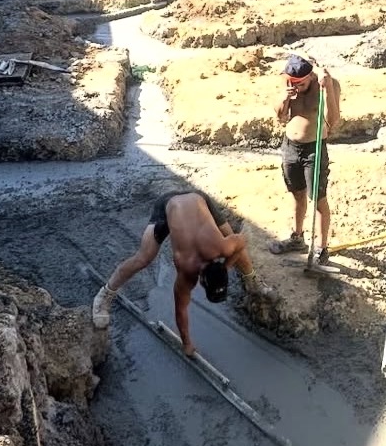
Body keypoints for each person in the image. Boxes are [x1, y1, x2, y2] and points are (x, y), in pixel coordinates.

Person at [91, 190, 256, 358]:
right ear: (201, 280)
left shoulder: (224, 246)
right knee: (143, 258)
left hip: (198, 198)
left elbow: (242, 241)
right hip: (169, 204)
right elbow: (180, 309)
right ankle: (105, 294)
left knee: (231, 236)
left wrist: (226, 267)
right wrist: (187, 344)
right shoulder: (187, 270)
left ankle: (252, 280)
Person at [270, 54, 340, 263]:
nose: (296, 87)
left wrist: (328, 89)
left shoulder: (326, 84)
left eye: (300, 84)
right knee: (296, 194)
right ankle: (297, 237)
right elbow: (280, 117)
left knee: (318, 199)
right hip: (290, 147)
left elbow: (333, 120)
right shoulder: (287, 82)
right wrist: (284, 98)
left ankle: (321, 248)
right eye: (292, 83)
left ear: (310, 77)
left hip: (314, 148)